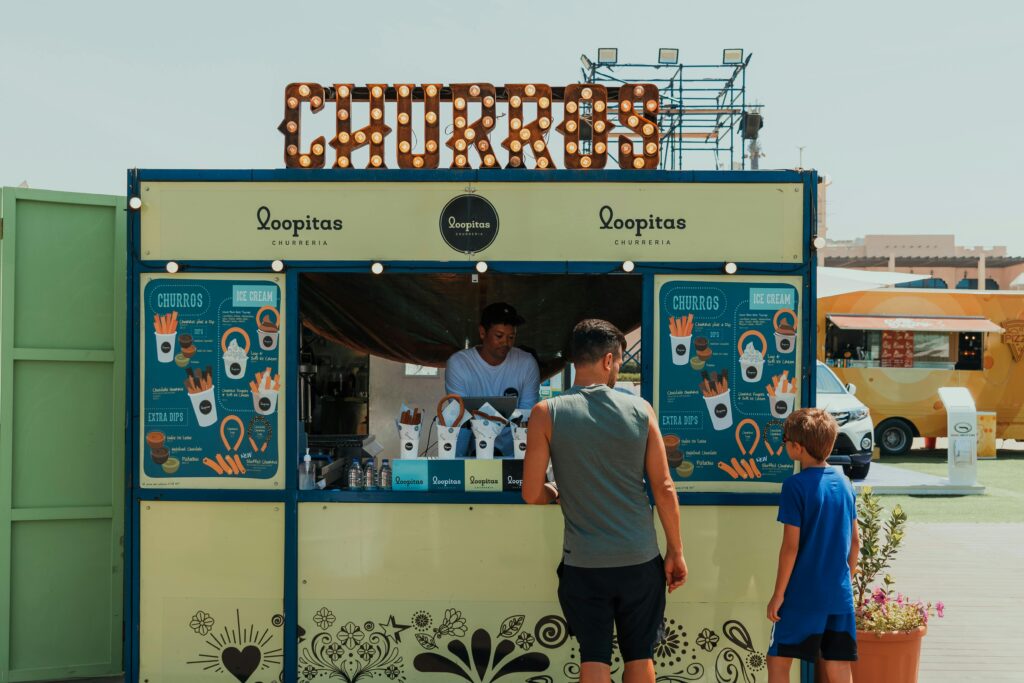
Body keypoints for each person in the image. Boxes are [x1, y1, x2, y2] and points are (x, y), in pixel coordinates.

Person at [522, 319, 687, 683]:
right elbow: (663, 487)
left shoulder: (545, 414)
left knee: (593, 659)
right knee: (640, 657)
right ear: (609, 360)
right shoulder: (641, 411)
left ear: (575, 360)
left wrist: (556, 491)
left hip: (583, 564)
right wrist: (675, 550)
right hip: (639, 560)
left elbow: (532, 494)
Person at [767, 408, 860, 683]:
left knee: (778, 661)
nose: (784, 444)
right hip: (838, 596)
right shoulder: (845, 484)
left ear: (797, 447)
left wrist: (778, 595)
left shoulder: (794, 487)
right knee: (838, 665)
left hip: (801, 596)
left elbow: (790, 548)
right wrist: (843, 582)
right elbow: (856, 542)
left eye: (785, 440)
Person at [445, 302, 540, 457]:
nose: (506, 343)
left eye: (511, 337)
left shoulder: (526, 363)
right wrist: (457, 465)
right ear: (482, 332)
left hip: (513, 456)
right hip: (471, 457)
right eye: (499, 336)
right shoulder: (459, 364)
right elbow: (460, 418)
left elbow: (526, 417)